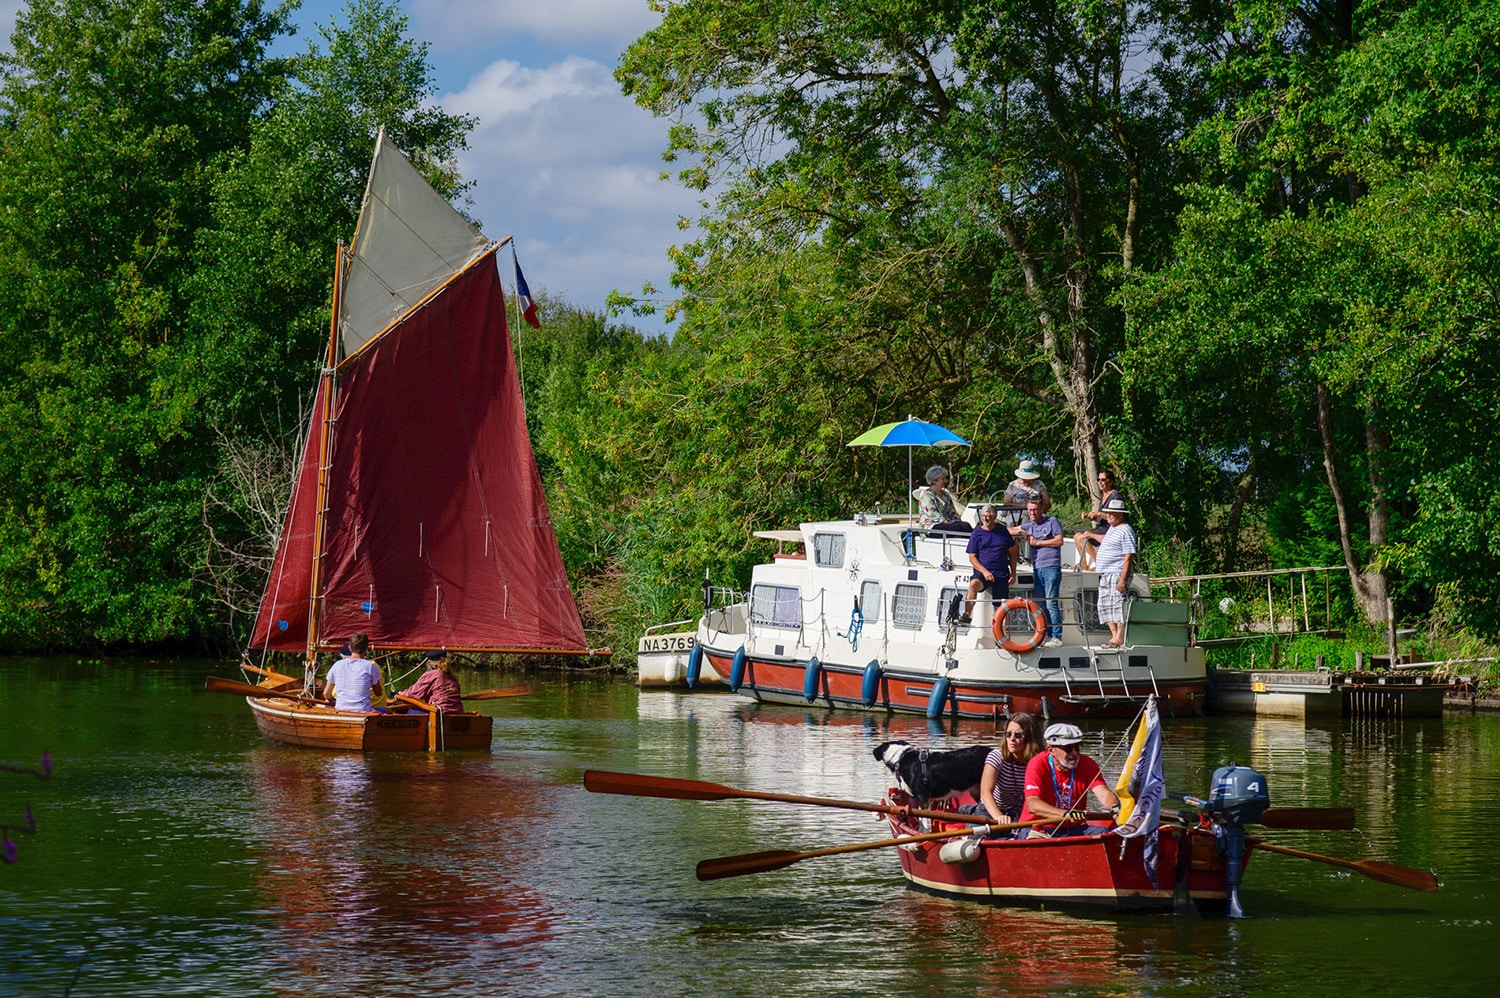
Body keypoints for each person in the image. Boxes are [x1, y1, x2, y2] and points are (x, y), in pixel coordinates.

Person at [1018, 723, 1120, 837]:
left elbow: (1103, 793)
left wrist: (1115, 808)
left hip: (1073, 828)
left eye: (1078, 747)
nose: (1074, 753)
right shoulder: (1037, 764)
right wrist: (1065, 814)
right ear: (1051, 750)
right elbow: (1033, 804)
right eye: (1068, 748)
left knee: (1104, 833)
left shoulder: (1087, 764)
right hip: (1039, 827)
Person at [957, 712, 1045, 834]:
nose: (1012, 739)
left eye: (1018, 735)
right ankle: (970, 811)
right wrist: (998, 816)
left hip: (1022, 814)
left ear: (1030, 738)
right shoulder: (997, 757)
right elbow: (985, 792)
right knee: (976, 840)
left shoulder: (1040, 761)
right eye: (1008, 734)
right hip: (991, 810)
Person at [1082, 496, 1136, 648]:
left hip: (1117, 573)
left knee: (1118, 605)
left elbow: (1128, 556)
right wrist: (1090, 535)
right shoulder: (1113, 528)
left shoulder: (1126, 530)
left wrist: (1122, 579)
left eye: (1112, 513)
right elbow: (1105, 540)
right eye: (1108, 513)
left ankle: (1119, 638)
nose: (1109, 516)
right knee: (1104, 605)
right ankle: (1114, 636)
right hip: (1105, 574)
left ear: (1121, 514)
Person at [1011, 500, 1065, 647]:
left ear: (1041, 509)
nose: (1032, 513)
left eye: (1035, 510)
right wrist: (1021, 532)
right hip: (1037, 568)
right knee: (1042, 604)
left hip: (1051, 567)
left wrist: (1038, 543)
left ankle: (1057, 636)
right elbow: (1008, 531)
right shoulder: (1030, 526)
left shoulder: (1052, 521)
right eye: (1030, 510)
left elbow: (1059, 541)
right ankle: (1048, 635)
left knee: (1051, 602)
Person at [960, 504, 1016, 625]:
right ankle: (967, 616)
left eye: (988, 516)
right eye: (984, 516)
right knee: (973, 584)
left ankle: (1000, 638)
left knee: (1000, 607)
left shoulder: (1003, 532)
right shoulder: (977, 533)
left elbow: (1012, 554)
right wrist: (985, 572)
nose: (985, 519)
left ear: (994, 517)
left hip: (1001, 573)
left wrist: (1013, 573)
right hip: (982, 571)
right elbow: (972, 557)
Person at [323, 632, 387, 712]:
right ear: (366, 649)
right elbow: (378, 693)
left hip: (341, 711)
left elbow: (326, 694)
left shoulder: (337, 665)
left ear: (350, 648)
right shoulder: (370, 666)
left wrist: (333, 701)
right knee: (387, 711)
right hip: (363, 711)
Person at [1074, 470, 1121, 570]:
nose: (1100, 482)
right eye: (1098, 479)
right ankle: (1083, 565)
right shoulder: (1103, 496)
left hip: (1110, 530)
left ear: (1111, 482)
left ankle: (1098, 564)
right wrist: (1090, 516)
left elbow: (1117, 517)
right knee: (1077, 536)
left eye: (1103, 480)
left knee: (1082, 538)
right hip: (1101, 528)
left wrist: (1098, 514)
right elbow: (1103, 518)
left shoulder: (1115, 496)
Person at [396, 650, 464, 714]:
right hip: (458, 712)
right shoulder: (452, 677)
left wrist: (398, 694)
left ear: (429, 663)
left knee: (409, 711)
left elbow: (414, 693)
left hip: (440, 713)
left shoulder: (432, 674)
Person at [917, 465, 971, 533]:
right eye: (942, 479)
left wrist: (958, 522)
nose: (945, 481)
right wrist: (949, 523)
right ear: (934, 481)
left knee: (966, 526)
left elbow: (953, 512)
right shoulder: (926, 496)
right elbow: (933, 514)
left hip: (947, 524)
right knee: (956, 528)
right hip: (931, 527)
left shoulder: (945, 494)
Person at [1002, 459, 1049, 526]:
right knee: (1014, 526)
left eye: (1030, 480)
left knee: (1043, 523)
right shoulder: (1012, 485)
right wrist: (1022, 505)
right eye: (1024, 480)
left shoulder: (1039, 485)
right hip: (1015, 514)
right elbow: (1006, 504)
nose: (1027, 482)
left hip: (1036, 513)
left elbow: (1048, 504)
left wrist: (1037, 505)